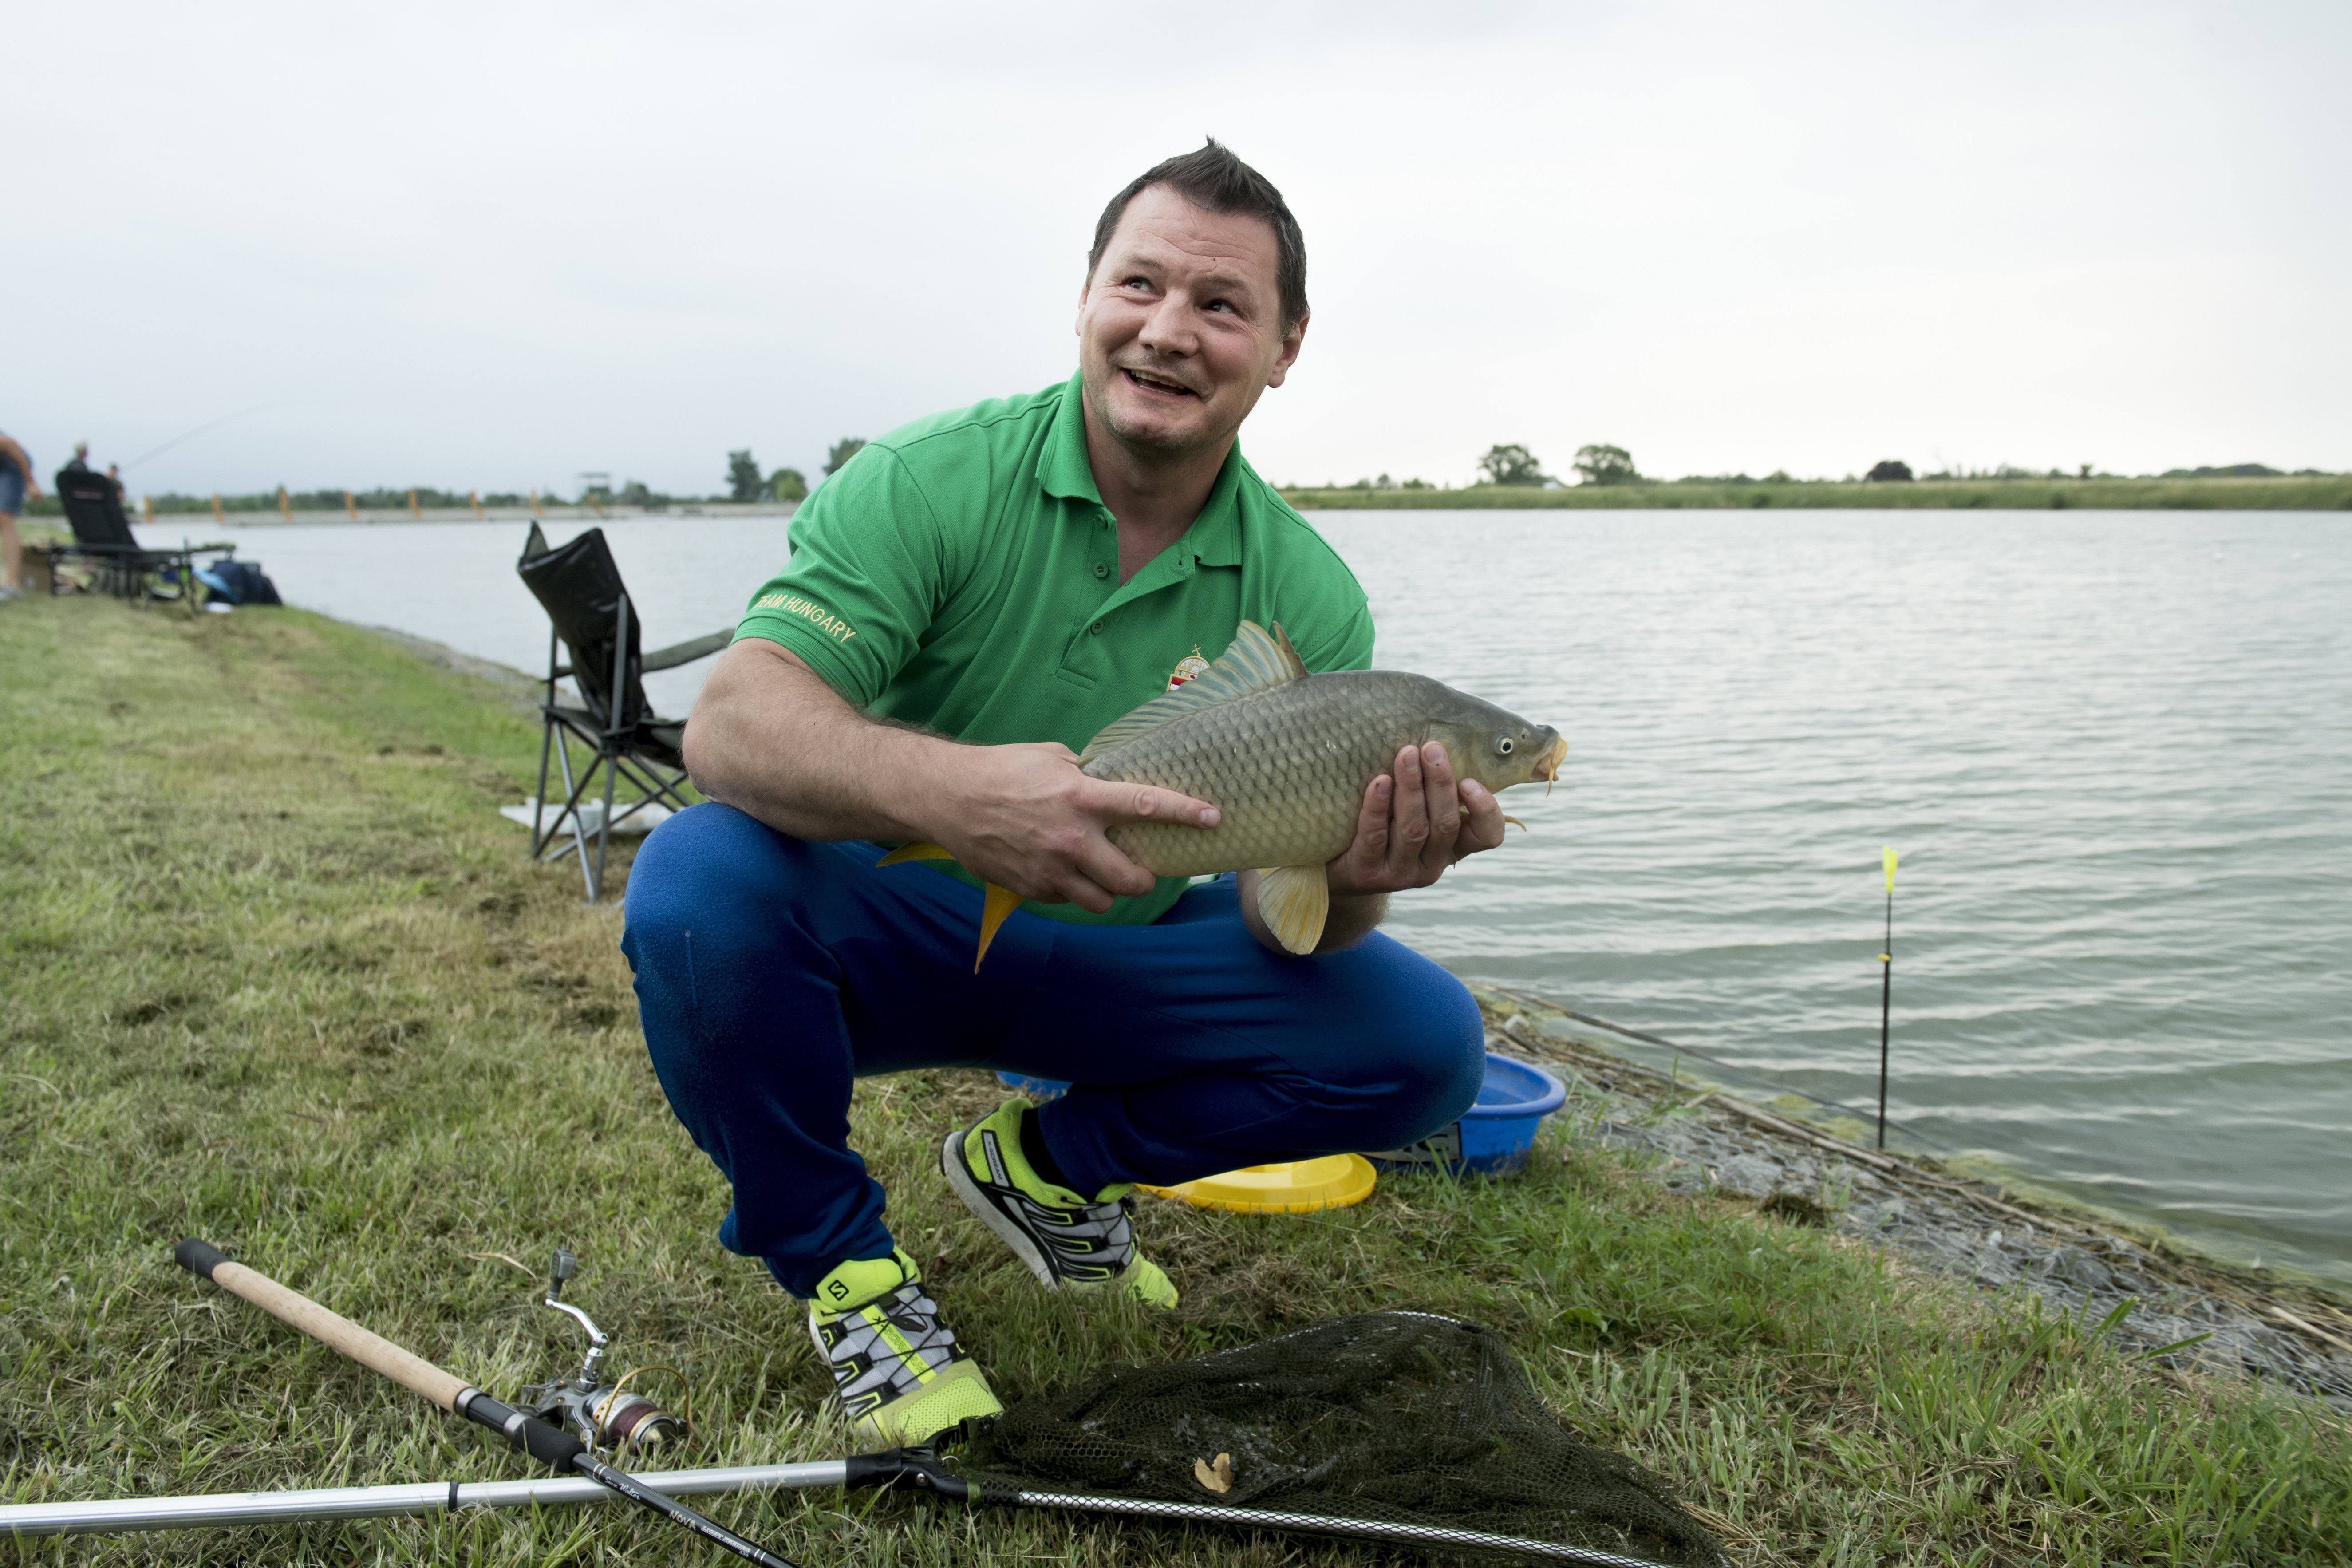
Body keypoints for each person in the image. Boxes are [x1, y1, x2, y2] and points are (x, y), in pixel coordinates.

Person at [622, 142, 1505, 1448]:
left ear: (1283, 346)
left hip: (1125, 948)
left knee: (1423, 1039)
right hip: (901, 921)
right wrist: (963, 795)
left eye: (1220, 305)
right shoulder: (928, 478)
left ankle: (1040, 1167)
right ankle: (850, 1280)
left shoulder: (1309, 593)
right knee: (697, 878)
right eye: (1137, 284)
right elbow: (732, 722)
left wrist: (1364, 869)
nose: (1166, 330)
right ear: (1085, 298)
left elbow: (1283, 921)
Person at [0, 430, 37, 601]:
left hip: (13, 462)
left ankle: (13, 585)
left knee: (4, 519)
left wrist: (30, 482)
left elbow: (10, 444)